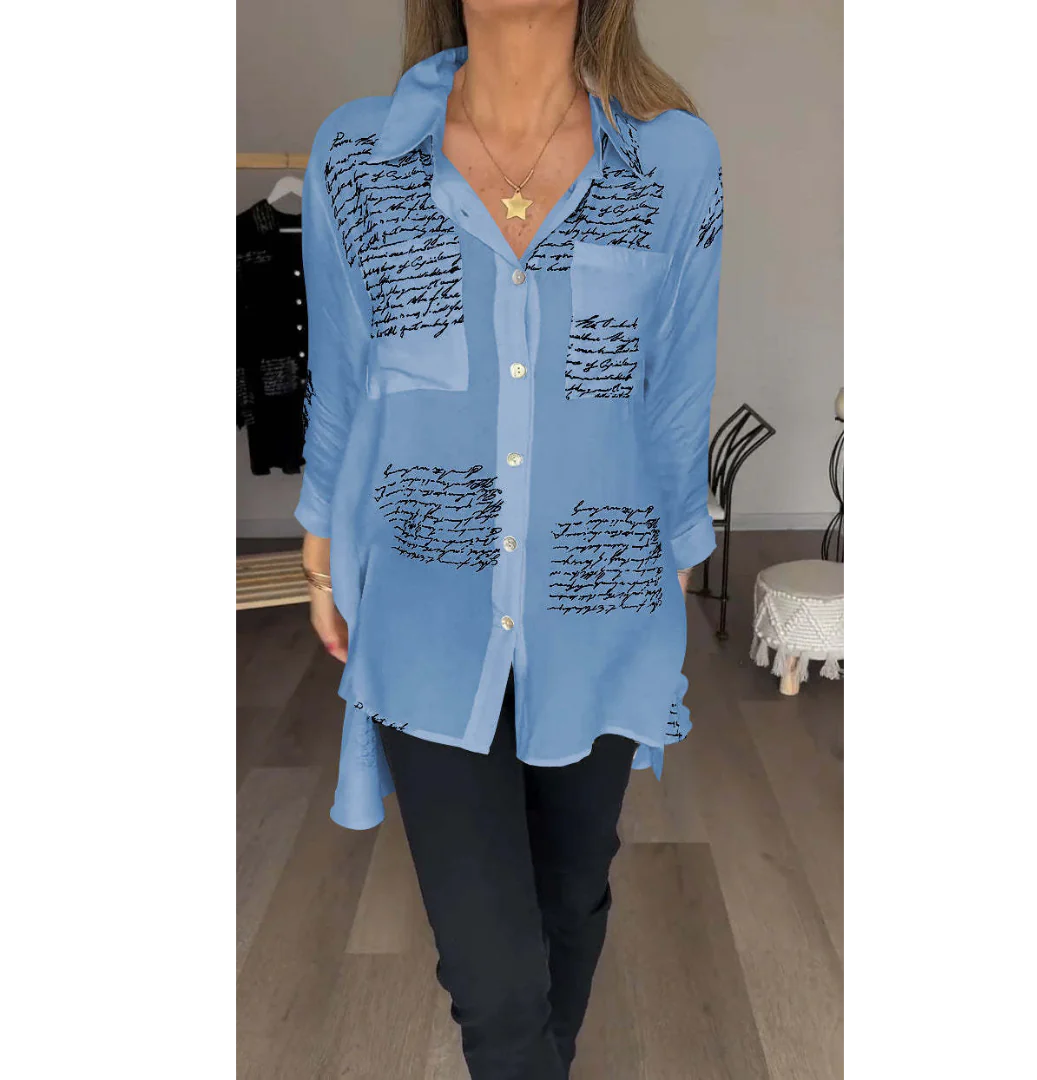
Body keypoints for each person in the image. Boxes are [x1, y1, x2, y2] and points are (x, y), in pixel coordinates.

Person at [297, 1, 724, 1075]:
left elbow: (676, 388)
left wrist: (677, 561)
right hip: (425, 608)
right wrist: (319, 544)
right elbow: (341, 380)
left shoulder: (672, 161)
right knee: (492, 979)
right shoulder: (359, 155)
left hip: (600, 605)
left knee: (568, 905)